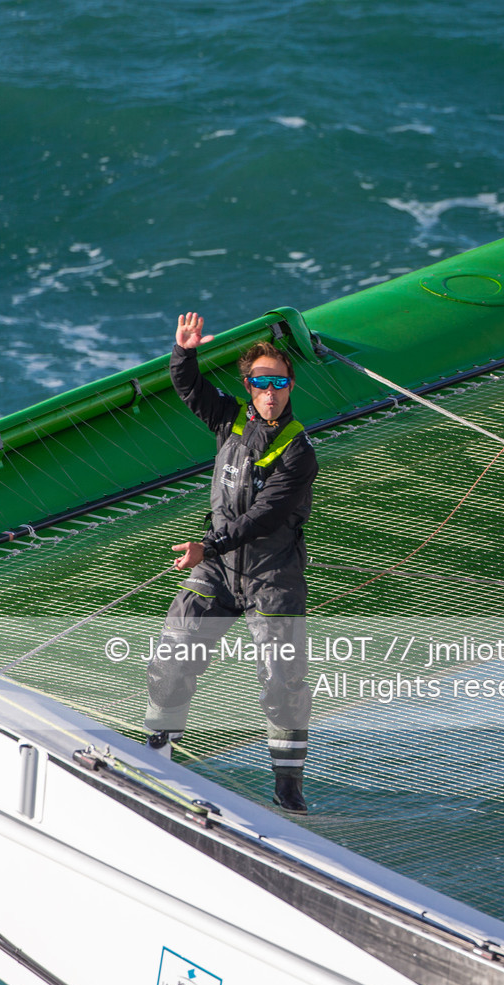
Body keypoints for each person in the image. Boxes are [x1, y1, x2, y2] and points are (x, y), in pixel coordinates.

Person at [144, 311, 320, 814]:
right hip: (218, 570)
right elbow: (187, 385)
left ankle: (288, 786)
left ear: (289, 388)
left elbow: (267, 516)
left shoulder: (299, 452)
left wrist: (210, 547)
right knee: (173, 653)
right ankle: (160, 750)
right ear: (249, 386)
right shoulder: (229, 419)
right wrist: (184, 350)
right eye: (262, 383)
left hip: (273, 574)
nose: (271, 392)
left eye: (280, 383)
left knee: (282, 681)